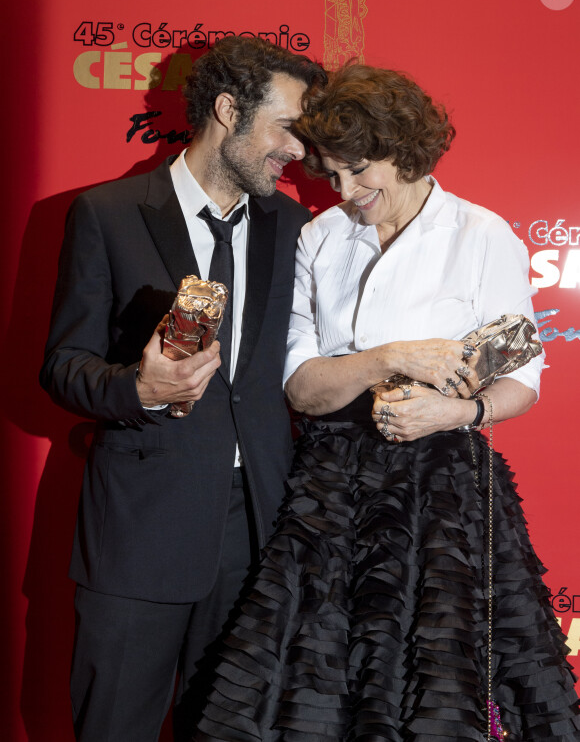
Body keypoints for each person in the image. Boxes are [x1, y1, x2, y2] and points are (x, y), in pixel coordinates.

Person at [194, 65, 580, 740]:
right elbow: (302, 386)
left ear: (403, 149)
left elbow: (524, 373)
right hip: (333, 490)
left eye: (358, 170)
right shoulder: (321, 238)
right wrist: (392, 357)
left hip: (444, 492)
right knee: (319, 676)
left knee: (440, 678)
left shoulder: (479, 233)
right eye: (332, 174)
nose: (344, 191)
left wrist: (457, 411)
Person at [40, 36, 326, 741]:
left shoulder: (297, 228)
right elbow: (63, 363)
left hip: (256, 536)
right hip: (139, 532)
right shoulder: (106, 212)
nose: (298, 149)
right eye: (287, 125)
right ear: (229, 110)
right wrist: (137, 387)